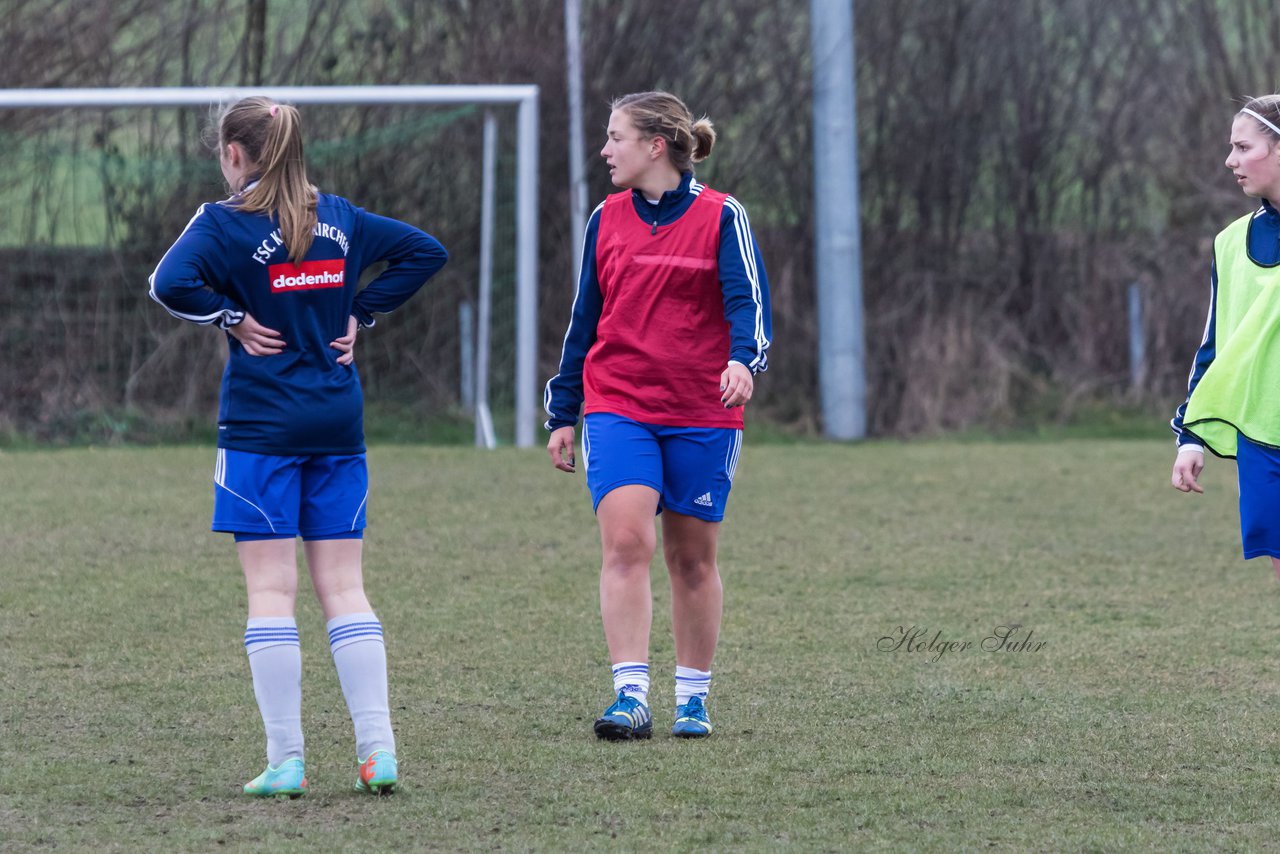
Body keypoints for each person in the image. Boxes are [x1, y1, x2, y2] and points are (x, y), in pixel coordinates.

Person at [149, 96, 447, 796]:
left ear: (234, 155)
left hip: (259, 432)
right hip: (337, 425)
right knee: (345, 589)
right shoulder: (337, 217)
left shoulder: (224, 222)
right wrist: (360, 312)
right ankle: (379, 752)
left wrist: (229, 314)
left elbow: (166, 283)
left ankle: (286, 760)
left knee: (271, 592)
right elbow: (424, 252)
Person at [544, 91, 772, 740]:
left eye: (615, 137)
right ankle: (631, 697)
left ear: (655, 146)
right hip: (618, 405)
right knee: (626, 542)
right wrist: (565, 410)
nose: (604, 150)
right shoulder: (604, 219)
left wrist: (743, 362)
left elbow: (747, 306)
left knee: (691, 559)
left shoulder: (723, 216)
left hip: (702, 410)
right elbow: (582, 320)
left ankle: (693, 699)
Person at [1172, 94, 1280, 574]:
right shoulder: (1231, 240)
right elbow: (1214, 344)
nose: (1229, 161)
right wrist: (1190, 438)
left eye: (1242, 147)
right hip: (1263, 433)